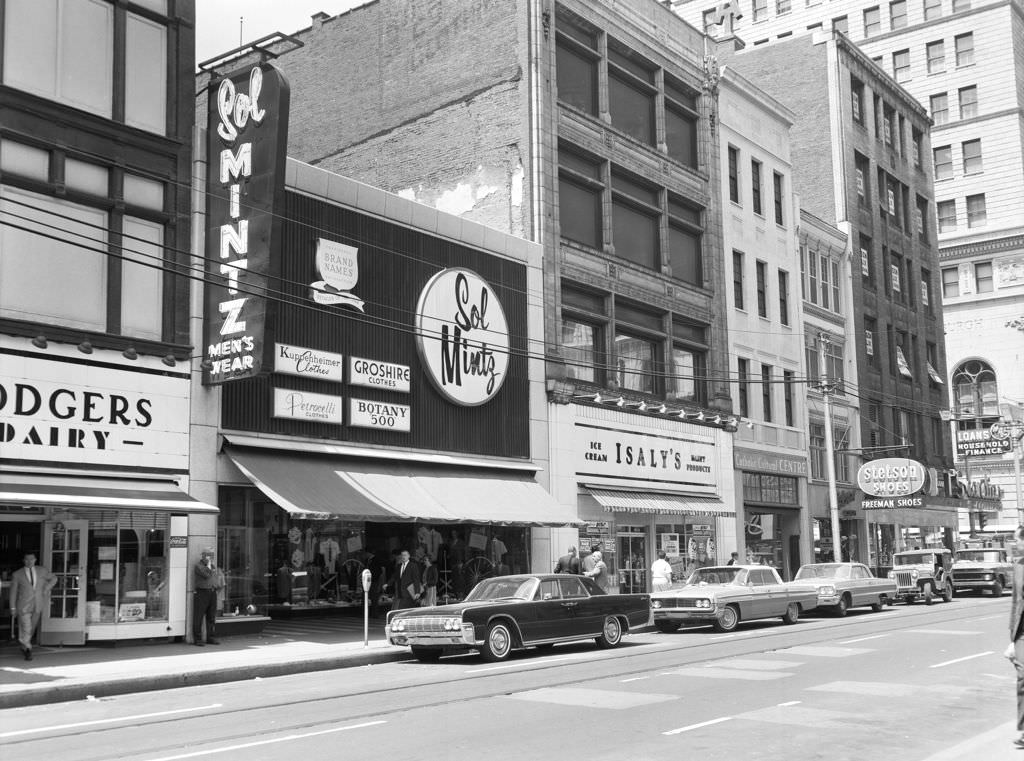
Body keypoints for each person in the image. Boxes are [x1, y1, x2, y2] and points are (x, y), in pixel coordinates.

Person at [9, 552, 56, 661]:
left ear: (35, 560)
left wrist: (46, 588)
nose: (29, 561)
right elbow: (13, 592)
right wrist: (12, 608)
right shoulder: (17, 574)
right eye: (27, 559)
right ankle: (28, 649)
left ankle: (23, 645)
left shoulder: (42, 570)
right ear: (23, 560)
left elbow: (54, 578)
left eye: (32, 559)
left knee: (31, 628)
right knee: (26, 627)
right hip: (23, 605)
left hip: (37, 604)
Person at [1005, 525, 1024, 748]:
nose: (1015, 544)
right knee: (1022, 679)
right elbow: (1014, 603)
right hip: (1022, 632)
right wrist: (1011, 638)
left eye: (1017, 540)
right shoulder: (1018, 567)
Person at [193, 547, 223, 646]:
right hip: (202, 592)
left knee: (211, 617)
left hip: (212, 592)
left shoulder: (212, 566)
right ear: (204, 556)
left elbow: (214, 578)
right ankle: (197, 639)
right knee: (199, 616)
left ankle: (211, 637)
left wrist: (217, 587)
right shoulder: (198, 566)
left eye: (212, 555)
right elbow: (206, 575)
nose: (211, 557)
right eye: (209, 555)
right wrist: (209, 565)